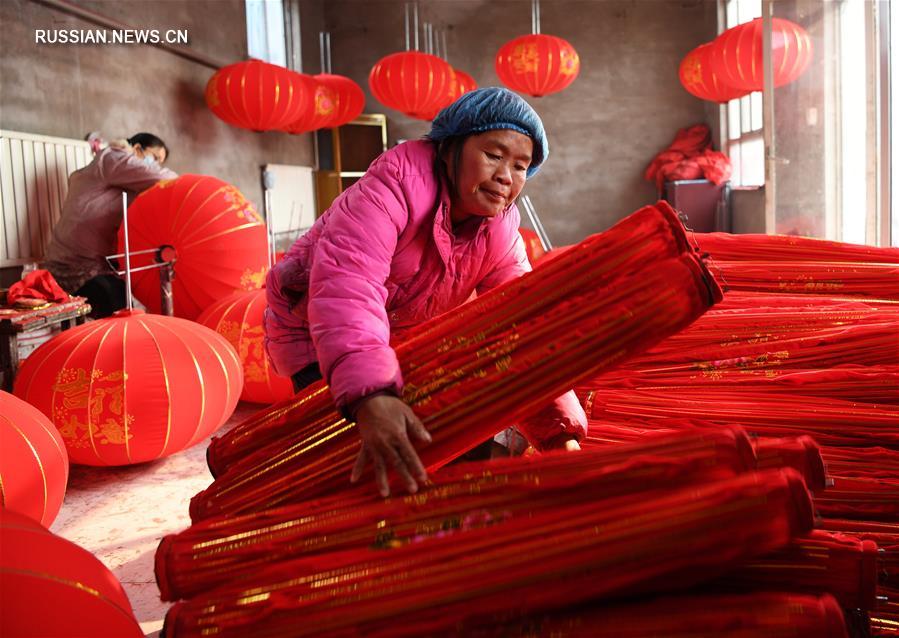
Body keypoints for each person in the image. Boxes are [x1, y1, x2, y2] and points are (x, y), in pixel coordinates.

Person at [264, 87, 587, 497]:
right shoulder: (391, 188)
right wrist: (371, 396)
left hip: (403, 336)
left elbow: (522, 324)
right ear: (450, 147)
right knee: (342, 465)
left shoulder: (500, 227)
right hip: (318, 334)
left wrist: (559, 433)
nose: (507, 176)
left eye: (522, 166)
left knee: (447, 446)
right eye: (493, 155)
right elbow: (349, 288)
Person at [43, 132, 177, 318]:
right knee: (119, 305)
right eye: (154, 158)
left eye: (159, 162)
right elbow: (167, 179)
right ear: (137, 149)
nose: (155, 165)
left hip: (97, 264)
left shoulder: (124, 175)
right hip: (73, 265)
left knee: (129, 302)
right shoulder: (114, 158)